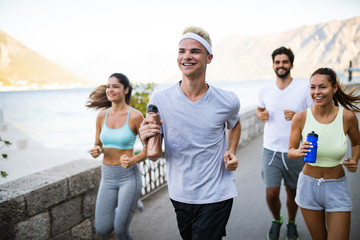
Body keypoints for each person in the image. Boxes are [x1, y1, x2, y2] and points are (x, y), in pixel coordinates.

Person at [139, 26, 241, 240]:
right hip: (180, 192)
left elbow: (235, 123)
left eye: (195, 51)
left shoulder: (227, 100)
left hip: (217, 192)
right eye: (181, 51)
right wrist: (145, 137)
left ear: (209, 57)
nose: (186, 56)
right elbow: (154, 146)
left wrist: (231, 150)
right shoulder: (159, 100)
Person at [288, 67, 360, 240]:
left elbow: (357, 143)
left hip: (337, 187)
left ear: (334, 88)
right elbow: (290, 151)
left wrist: (355, 160)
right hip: (308, 187)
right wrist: (297, 151)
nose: (316, 92)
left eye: (322, 87)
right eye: (312, 87)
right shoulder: (301, 118)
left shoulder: (347, 117)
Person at [256, 46, 313, 240]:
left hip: (296, 150)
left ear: (291, 64)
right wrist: (260, 114)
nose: (281, 65)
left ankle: (291, 222)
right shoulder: (265, 89)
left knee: (293, 191)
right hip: (270, 150)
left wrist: (298, 116)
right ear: (273, 65)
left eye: (284, 62)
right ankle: (277, 219)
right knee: (272, 193)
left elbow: (315, 115)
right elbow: (259, 108)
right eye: (277, 62)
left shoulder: (304, 88)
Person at [86, 73, 146, 239]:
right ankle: (126, 205)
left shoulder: (135, 116)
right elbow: (98, 144)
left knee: (121, 230)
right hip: (107, 176)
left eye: (115, 86)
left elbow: (149, 148)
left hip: (128, 177)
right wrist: (96, 150)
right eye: (108, 86)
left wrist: (133, 159)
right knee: (103, 229)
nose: (110, 90)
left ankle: (129, 201)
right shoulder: (101, 116)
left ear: (126, 90)